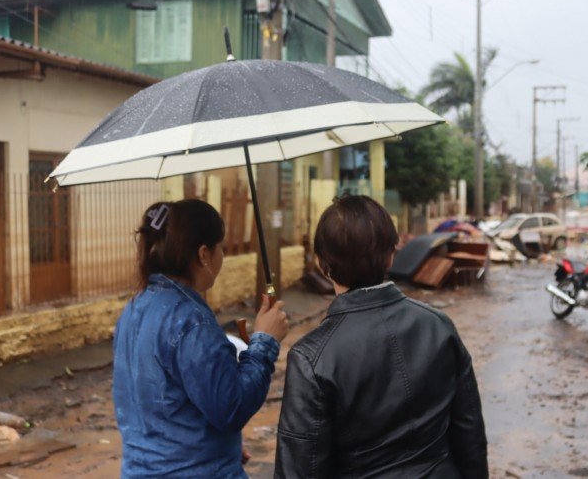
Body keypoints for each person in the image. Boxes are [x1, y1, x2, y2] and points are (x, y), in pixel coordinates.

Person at [275, 195, 488, 478]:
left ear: (322, 264)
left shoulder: (311, 357)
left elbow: (299, 469)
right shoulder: (439, 326)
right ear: (391, 254)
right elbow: (469, 433)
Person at [113, 199, 289, 478]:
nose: (222, 257)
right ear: (204, 254)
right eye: (222, 248)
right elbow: (231, 408)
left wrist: (218, 446)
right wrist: (265, 342)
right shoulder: (190, 320)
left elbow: (163, 401)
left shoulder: (134, 309)